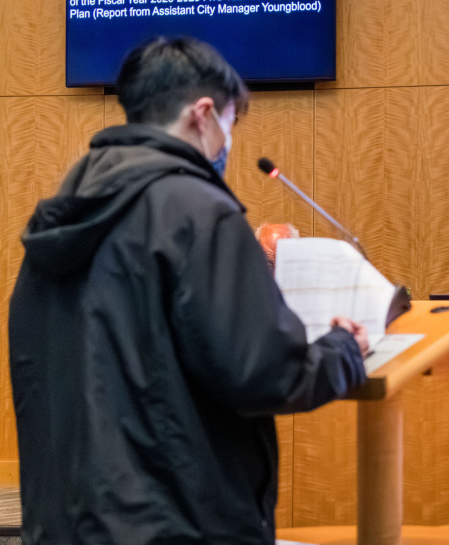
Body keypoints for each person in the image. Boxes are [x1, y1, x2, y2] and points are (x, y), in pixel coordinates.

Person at [8, 37, 369, 545]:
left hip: (64, 524)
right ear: (203, 114)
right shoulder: (199, 212)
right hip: (177, 524)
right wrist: (343, 351)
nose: (228, 143)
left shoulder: (60, 214)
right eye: (230, 124)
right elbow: (266, 373)